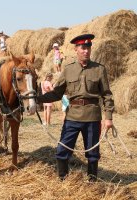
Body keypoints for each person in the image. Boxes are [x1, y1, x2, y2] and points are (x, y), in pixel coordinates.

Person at [37, 34, 114, 181]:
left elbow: (107, 95)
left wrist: (108, 117)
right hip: (72, 116)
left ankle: (92, 182)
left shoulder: (99, 69)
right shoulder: (68, 69)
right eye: (83, 48)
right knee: (62, 150)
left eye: (88, 48)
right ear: (76, 49)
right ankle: (63, 179)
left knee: (93, 153)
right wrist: (37, 98)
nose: (86, 51)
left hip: (92, 117)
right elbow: (56, 94)